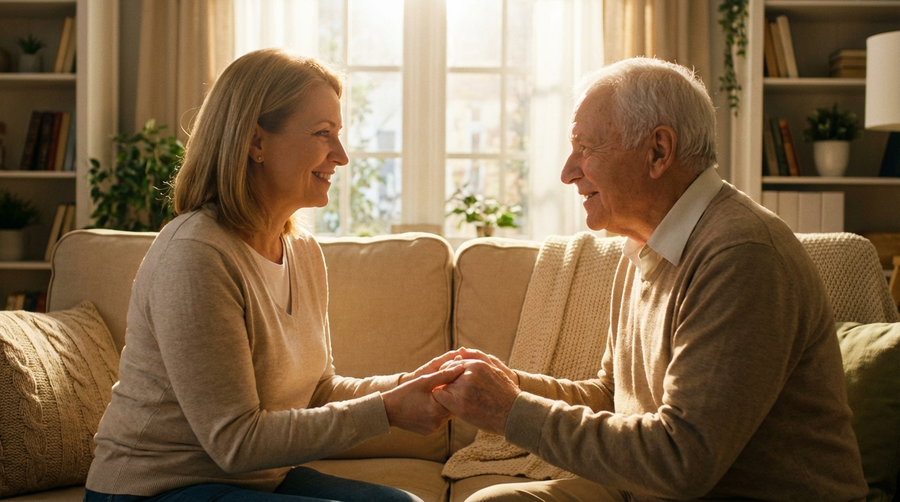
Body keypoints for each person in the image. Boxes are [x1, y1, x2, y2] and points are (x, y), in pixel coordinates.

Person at [432, 57, 869, 501]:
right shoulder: (647, 243)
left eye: (585, 147)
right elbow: (612, 395)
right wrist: (509, 385)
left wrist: (510, 410)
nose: (567, 172)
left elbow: (682, 459)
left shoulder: (741, 256)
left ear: (659, 151)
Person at [84, 48, 462, 502]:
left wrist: (410, 386)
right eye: (324, 134)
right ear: (256, 142)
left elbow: (319, 390)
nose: (341, 156)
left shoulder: (302, 253)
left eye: (339, 135)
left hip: (255, 481)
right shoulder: (196, 254)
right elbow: (235, 441)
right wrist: (388, 411)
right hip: (155, 489)